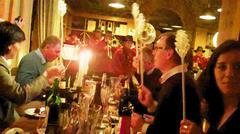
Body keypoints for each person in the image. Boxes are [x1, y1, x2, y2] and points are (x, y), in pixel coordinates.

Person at [131, 32, 201, 134]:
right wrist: (151, 104)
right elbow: (170, 118)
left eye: (157, 48)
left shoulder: (179, 84)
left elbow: (170, 130)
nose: (153, 53)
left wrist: (142, 126)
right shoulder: (175, 79)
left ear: (169, 53)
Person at [0, 21, 64, 130]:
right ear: (10, 45)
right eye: (19, 43)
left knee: (55, 106)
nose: (19, 47)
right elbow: (21, 93)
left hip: (10, 111)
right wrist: (46, 77)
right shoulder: (29, 60)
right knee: (50, 110)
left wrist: (50, 81)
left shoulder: (4, 64)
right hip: (7, 116)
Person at [180, 40, 240, 134]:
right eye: (222, 67)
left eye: (238, 67)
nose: (229, 74)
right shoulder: (216, 108)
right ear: (213, 71)